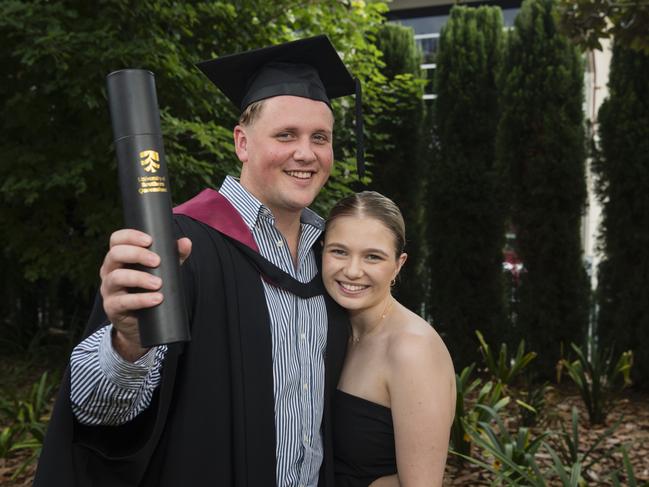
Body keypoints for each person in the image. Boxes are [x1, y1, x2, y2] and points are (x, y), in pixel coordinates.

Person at [34, 35, 360, 486]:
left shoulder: (331, 257)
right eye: (286, 135)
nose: (306, 153)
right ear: (242, 143)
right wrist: (128, 343)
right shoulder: (178, 244)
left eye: (319, 138)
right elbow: (95, 408)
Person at [322, 191, 456, 487]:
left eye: (373, 256)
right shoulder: (328, 328)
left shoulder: (412, 349)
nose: (352, 271)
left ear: (398, 264)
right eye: (339, 251)